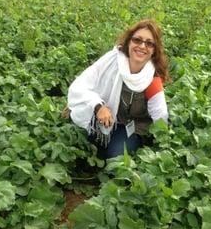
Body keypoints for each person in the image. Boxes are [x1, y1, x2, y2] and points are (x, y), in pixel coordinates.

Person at [68, 19, 169, 159]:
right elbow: (80, 85)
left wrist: (163, 147)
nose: (142, 46)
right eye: (137, 40)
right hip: (104, 117)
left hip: (131, 127)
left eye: (149, 43)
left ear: (154, 50)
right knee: (73, 132)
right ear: (129, 42)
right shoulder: (112, 61)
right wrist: (98, 106)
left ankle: (107, 150)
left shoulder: (151, 78)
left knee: (116, 157)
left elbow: (160, 114)